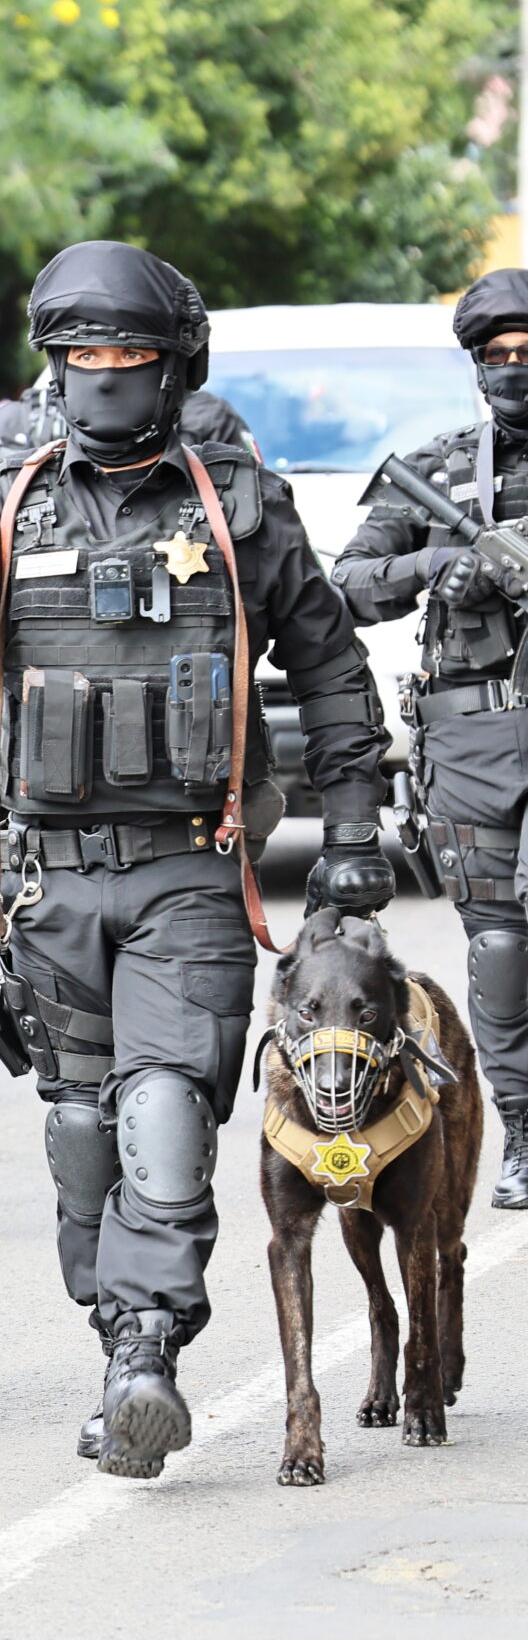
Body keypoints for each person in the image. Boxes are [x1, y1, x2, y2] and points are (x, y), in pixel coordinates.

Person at [0, 241, 392, 1480]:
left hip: (186, 872)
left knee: (164, 1114)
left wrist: (358, 832)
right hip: (43, 878)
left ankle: (146, 1354)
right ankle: (114, 1338)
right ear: (52, 370)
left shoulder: (240, 508)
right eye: (78, 358)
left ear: (173, 366)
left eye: (127, 356)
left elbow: (325, 663)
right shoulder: (8, 501)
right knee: (80, 1136)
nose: (102, 377)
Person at [331, 266, 528, 1210]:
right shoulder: (440, 469)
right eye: (499, 357)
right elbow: (348, 584)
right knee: (500, 946)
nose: (516, 369)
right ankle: (524, 1129)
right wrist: (445, 564)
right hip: (475, 740)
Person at [0, 366, 259, 466]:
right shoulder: (17, 420)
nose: (107, 376)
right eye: (89, 355)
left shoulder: (207, 416)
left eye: (130, 354)